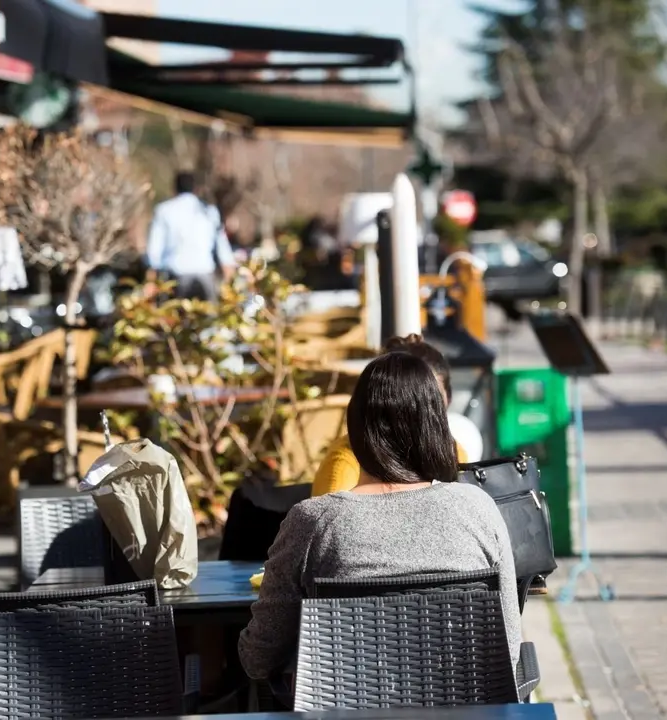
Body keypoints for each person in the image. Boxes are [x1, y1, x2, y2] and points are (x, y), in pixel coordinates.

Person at [239, 352, 521, 685]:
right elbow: (509, 648)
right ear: (437, 426)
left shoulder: (315, 521)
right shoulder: (478, 509)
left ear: (355, 427)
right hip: (465, 707)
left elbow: (259, 658)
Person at [311, 334, 468, 497]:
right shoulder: (345, 466)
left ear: (448, 398)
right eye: (402, 398)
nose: (417, 409)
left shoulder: (454, 451)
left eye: (429, 398)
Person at [145, 172, 236, 301]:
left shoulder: (164, 210)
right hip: (205, 274)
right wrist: (228, 272)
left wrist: (152, 278)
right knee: (208, 318)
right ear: (195, 189)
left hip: (175, 275)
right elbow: (222, 246)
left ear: (174, 188)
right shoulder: (209, 211)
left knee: (174, 318)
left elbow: (154, 250)